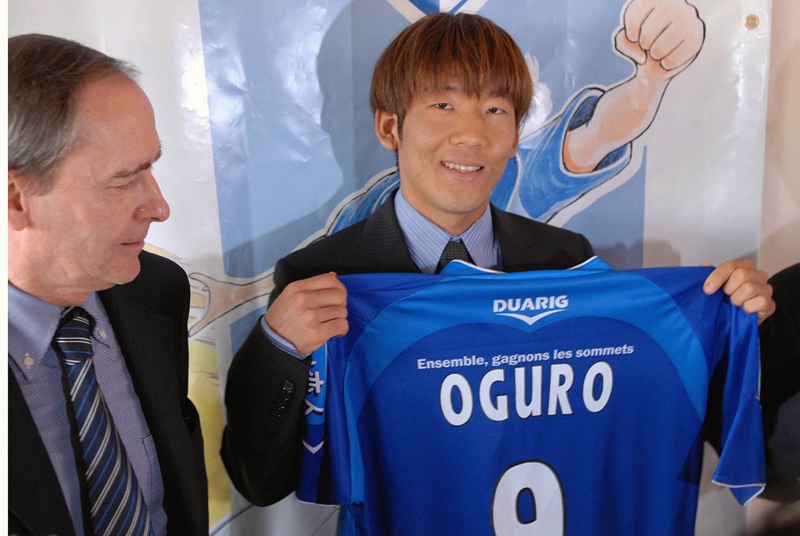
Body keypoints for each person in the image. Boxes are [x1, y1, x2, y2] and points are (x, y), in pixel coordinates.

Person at [221, 12, 775, 508]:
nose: (471, 135)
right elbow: (260, 482)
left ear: (515, 137)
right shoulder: (323, 278)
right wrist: (278, 348)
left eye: (495, 110)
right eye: (443, 105)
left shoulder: (564, 260)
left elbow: (650, 412)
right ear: (390, 126)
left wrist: (733, 323)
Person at [8, 34, 208, 535]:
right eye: (123, 180)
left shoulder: (157, 291)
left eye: (151, 167)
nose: (159, 207)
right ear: (16, 198)